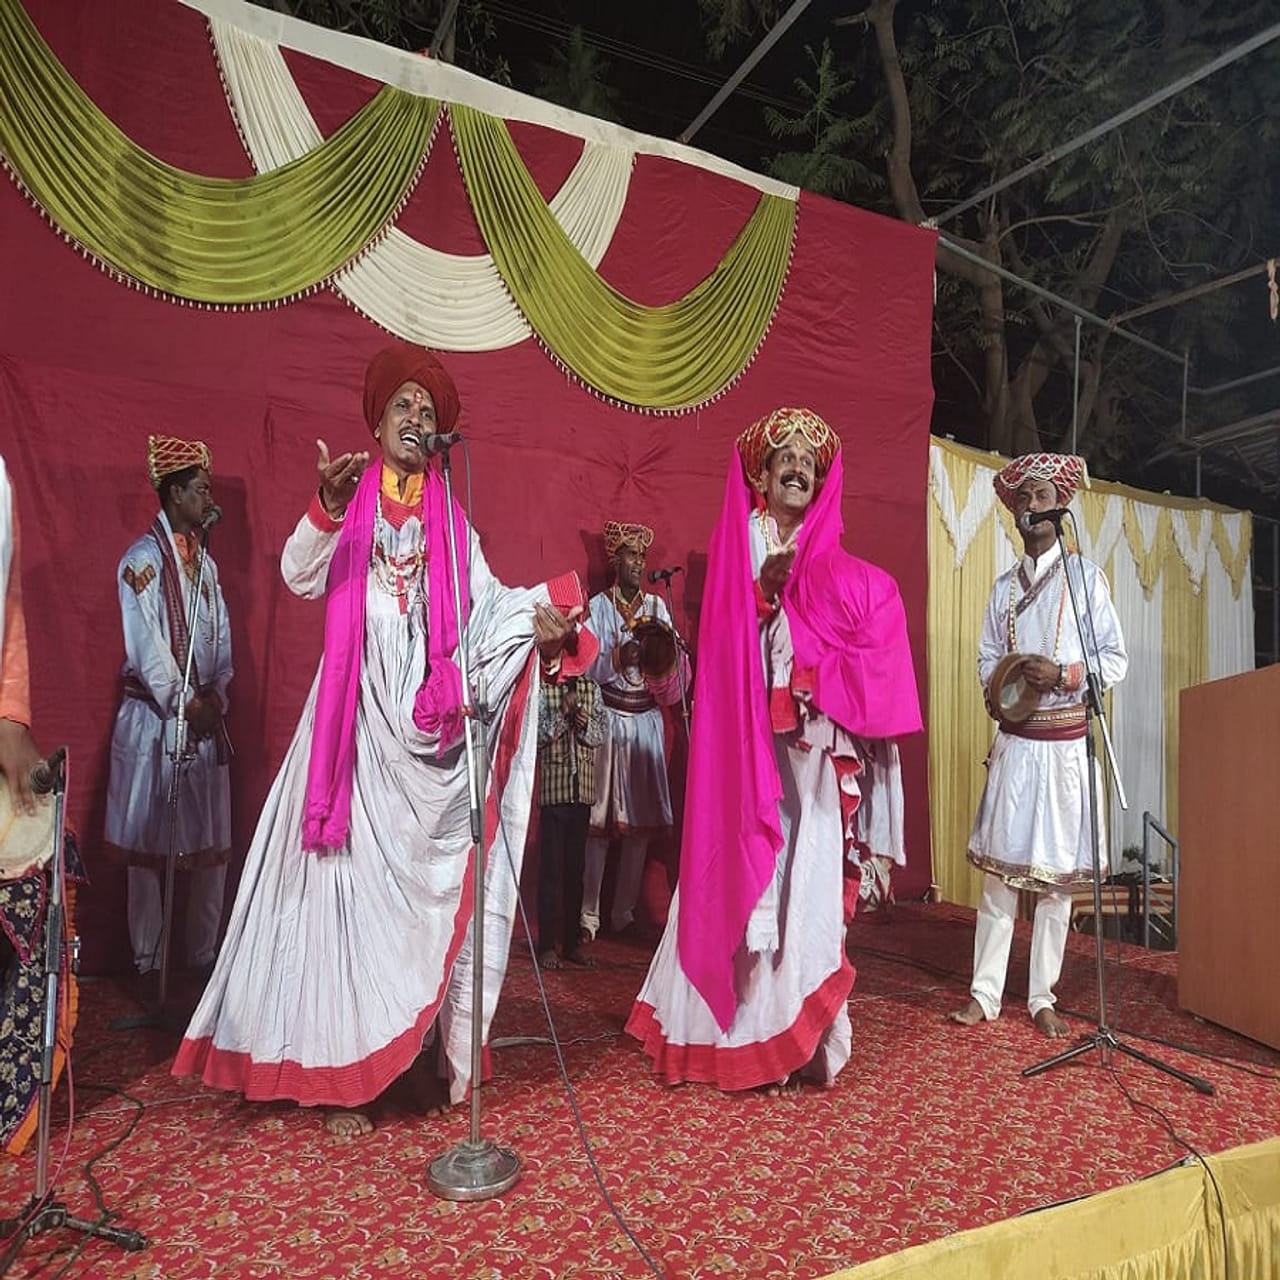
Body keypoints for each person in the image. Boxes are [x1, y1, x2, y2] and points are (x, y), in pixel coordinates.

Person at [173, 342, 591, 1138]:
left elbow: (486, 605)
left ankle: (402, 1059)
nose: (416, 419)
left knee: (409, 913)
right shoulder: (352, 494)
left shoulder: (450, 517)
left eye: (428, 412)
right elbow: (300, 573)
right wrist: (326, 510)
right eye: (403, 406)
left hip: (422, 726)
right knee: (339, 903)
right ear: (376, 421)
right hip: (350, 730)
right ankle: (337, 1078)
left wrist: (537, 624)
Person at [627, 407, 922, 1092]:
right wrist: (762, 597)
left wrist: (824, 674)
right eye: (783, 457)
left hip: (810, 759)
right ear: (760, 476)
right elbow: (724, 656)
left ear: (821, 484)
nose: (797, 466)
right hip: (742, 756)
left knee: (804, 895)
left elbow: (869, 669)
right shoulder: (738, 551)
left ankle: (789, 1043)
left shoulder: (850, 578)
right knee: (744, 881)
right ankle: (731, 1039)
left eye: (808, 462)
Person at [949, 453, 1127, 1038]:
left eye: (1042, 497)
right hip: (1016, 745)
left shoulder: (1086, 581)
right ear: (1014, 513)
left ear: (1061, 507)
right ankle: (984, 993)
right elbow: (983, 658)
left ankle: (1042, 996)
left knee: (1053, 883)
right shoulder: (1003, 590)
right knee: (999, 877)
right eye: (1022, 499)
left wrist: (1070, 675)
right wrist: (996, 689)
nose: (1031, 507)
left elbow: (1114, 660)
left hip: (1065, 745)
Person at [103, 437, 232, 987]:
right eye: (200, 490)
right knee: (148, 851)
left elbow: (221, 637)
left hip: (204, 718)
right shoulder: (141, 562)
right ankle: (148, 962)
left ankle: (202, 957)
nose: (207, 499)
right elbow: (147, 648)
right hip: (156, 721)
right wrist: (184, 703)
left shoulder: (206, 563)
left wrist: (218, 694)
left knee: (209, 844)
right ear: (174, 493)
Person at [580, 521, 689, 941]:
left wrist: (660, 658)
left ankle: (623, 914)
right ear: (615, 561)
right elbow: (585, 667)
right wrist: (615, 656)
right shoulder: (598, 607)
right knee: (598, 826)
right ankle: (588, 917)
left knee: (638, 828)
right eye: (629, 556)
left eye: (641, 557)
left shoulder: (658, 609)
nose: (637, 564)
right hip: (608, 719)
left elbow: (671, 676)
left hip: (643, 721)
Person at [536, 674, 605, 969]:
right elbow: (537, 736)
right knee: (550, 871)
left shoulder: (592, 689)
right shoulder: (543, 689)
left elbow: (600, 734)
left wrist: (584, 720)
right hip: (554, 792)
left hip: (582, 793)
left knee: (576, 871)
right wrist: (563, 714)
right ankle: (547, 945)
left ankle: (572, 942)